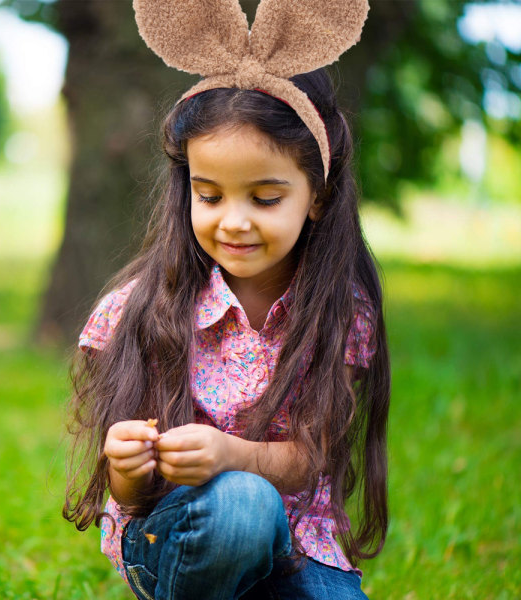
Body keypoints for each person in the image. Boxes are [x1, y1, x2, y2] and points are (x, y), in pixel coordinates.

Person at [63, 3, 389, 599]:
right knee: (240, 504)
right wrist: (125, 466)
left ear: (316, 196)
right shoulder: (145, 308)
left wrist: (231, 454)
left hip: (299, 541)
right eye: (209, 195)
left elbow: (313, 457)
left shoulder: (339, 312)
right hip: (179, 537)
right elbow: (129, 496)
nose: (233, 222)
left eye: (265, 199)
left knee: (256, 499)